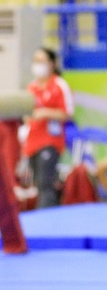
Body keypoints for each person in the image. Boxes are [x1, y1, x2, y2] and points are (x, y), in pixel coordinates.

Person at [23, 48, 73, 209]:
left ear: (51, 64)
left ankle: (45, 220)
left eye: (41, 61)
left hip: (50, 141)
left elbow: (68, 113)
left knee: (45, 183)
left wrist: (45, 112)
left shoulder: (59, 85)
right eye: (35, 61)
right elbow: (25, 115)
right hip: (32, 141)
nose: (37, 65)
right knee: (39, 184)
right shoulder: (31, 87)